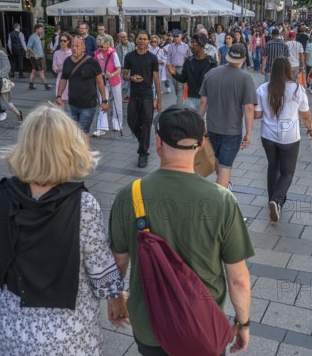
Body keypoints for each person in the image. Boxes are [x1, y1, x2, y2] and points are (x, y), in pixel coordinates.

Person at [0, 104, 128, 355]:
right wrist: (118, 300)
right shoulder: (82, 204)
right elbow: (100, 274)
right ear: (70, 149)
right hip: (70, 333)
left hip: (13, 329)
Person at [108, 104, 254, 355]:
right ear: (200, 145)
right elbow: (238, 279)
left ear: (158, 142)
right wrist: (243, 323)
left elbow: (118, 262)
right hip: (203, 325)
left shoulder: (129, 196)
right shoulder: (222, 200)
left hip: (150, 326)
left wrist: (115, 301)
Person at [255, 58, 312, 222]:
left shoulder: (262, 89)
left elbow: (257, 114)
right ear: (289, 70)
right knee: (287, 172)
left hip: (268, 135)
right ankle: (277, 199)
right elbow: (306, 114)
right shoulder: (297, 89)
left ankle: (272, 200)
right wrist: (310, 128)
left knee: (273, 167)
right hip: (289, 137)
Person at [199, 43, 256, 189]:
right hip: (232, 130)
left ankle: (224, 184)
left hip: (212, 127)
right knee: (225, 166)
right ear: (243, 59)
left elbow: (203, 101)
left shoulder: (211, 73)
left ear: (228, 56)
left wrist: (200, 124)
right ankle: (220, 200)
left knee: (218, 159)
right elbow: (249, 107)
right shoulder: (245, 78)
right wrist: (249, 133)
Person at [123, 31, 162, 168]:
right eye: (140, 39)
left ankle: (143, 154)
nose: (142, 41)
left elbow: (156, 79)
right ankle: (143, 141)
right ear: (136, 40)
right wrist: (131, 78)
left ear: (149, 41)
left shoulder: (152, 58)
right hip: (134, 95)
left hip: (147, 95)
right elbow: (125, 75)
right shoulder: (129, 56)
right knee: (131, 121)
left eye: (145, 39)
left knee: (146, 124)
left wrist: (159, 100)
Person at [56, 36, 109, 136]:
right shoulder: (67, 61)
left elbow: (100, 82)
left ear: (84, 48)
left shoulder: (92, 62)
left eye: (77, 46)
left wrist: (104, 101)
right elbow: (63, 79)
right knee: (75, 133)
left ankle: (84, 150)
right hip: (72, 104)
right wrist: (59, 96)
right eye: (72, 46)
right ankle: (82, 151)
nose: (74, 48)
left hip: (88, 105)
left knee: (82, 133)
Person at [168, 33, 217, 111]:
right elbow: (183, 78)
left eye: (193, 42)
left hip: (206, 100)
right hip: (190, 99)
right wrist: (175, 74)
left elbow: (215, 84)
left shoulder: (211, 63)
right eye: (190, 42)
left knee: (203, 122)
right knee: (191, 123)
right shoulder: (188, 61)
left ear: (201, 44)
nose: (191, 45)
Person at [0, 33, 23, 129]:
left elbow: (7, 67)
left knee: (5, 102)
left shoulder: (1, 53)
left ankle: (18, 113)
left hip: (0, 81)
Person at [94, 37, 123, 136]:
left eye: (101, 46)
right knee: (103, 101)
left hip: (114, 80)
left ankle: (117, 123)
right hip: (102, 81)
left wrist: (112, 74)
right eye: (98, 46)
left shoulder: (113, 54)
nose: (100, 48)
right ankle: (102, 127)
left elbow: (119, 69)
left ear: (107, 45)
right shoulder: (97, 54)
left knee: (117, 102)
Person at [166, 29, 189, 105]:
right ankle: (180, 100)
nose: (175, 38)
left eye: (177, 36)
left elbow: (188, 58)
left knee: (180, 87)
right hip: (173, 68)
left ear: (181, 36)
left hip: (182, 68)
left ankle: (178, 104)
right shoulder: (170, 46)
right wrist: (168, 69)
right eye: (174, 36)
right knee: (176, 86)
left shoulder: (186, 46)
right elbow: (168, 57)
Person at [26, 24, 52, 91]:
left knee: (34, 71)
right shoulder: (32, 37)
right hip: (35, 58)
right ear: (36, 29)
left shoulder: (38, 36)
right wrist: (35, 54)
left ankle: (31, 85)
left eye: (42, 29)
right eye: (41, 29)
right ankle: (46, 86)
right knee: (41, 71)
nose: (42, 30)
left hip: (39, 57)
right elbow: (28, 47)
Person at [52, 32, 72, 108]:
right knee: (60, 100)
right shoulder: (56, 53)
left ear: (68, 41)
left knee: (72, 100)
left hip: (71, 78)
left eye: (64, 41)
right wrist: (58, 69)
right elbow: (54, 67)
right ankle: (61, 118)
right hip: (60, 77)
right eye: (61, 41)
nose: (62, 42)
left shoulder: (72, 52)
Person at [116, 32, 135, 100]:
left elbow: (134, 55)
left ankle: (129, 95)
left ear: (127, 37)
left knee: (130, 82)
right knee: (121, 82)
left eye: (125, 36)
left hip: (130, 67)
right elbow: (117, 57)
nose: (124, 38)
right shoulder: (118, 46)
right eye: (122, 37)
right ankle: (118, 96)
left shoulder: (132, 45)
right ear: (120, 38)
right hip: (122, 67)